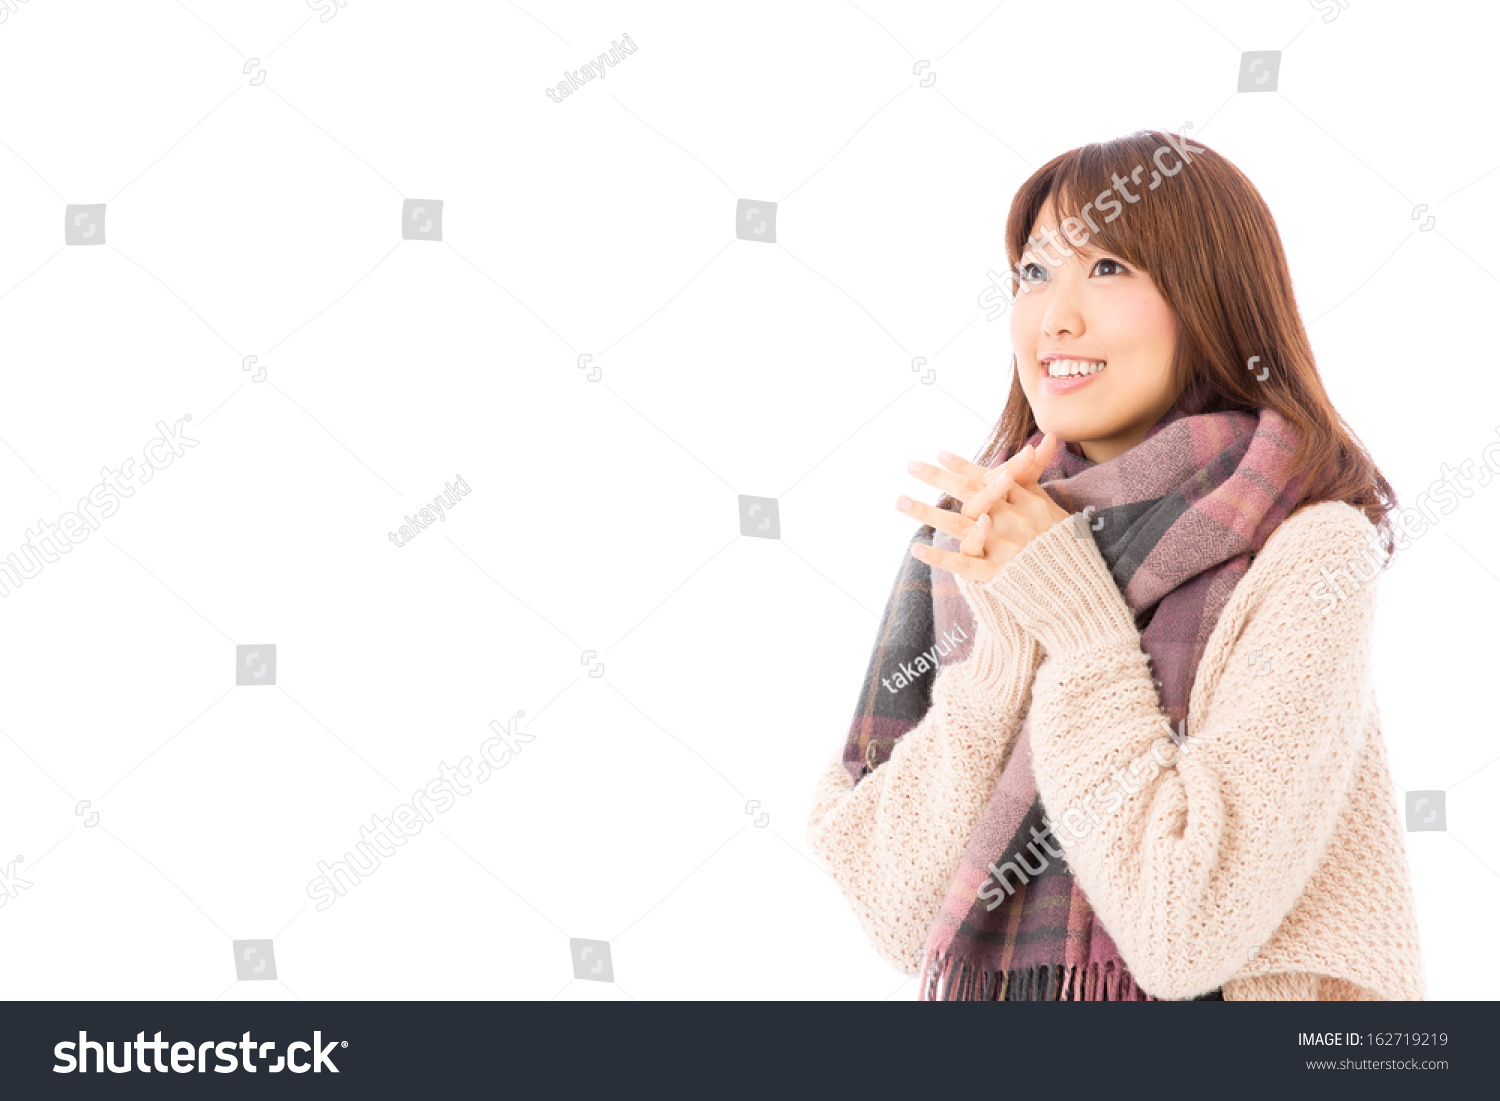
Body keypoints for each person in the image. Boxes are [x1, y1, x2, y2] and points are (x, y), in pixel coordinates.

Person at [804, 130, 1424, 1001]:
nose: (1055, 317)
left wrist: (1080, 622)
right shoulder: (977, 539)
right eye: (1034, 272)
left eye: (1106, 268)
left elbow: (1183, 931)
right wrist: (1007, 648)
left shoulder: (1309, 546)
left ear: (1210, 297)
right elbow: (893, 910)